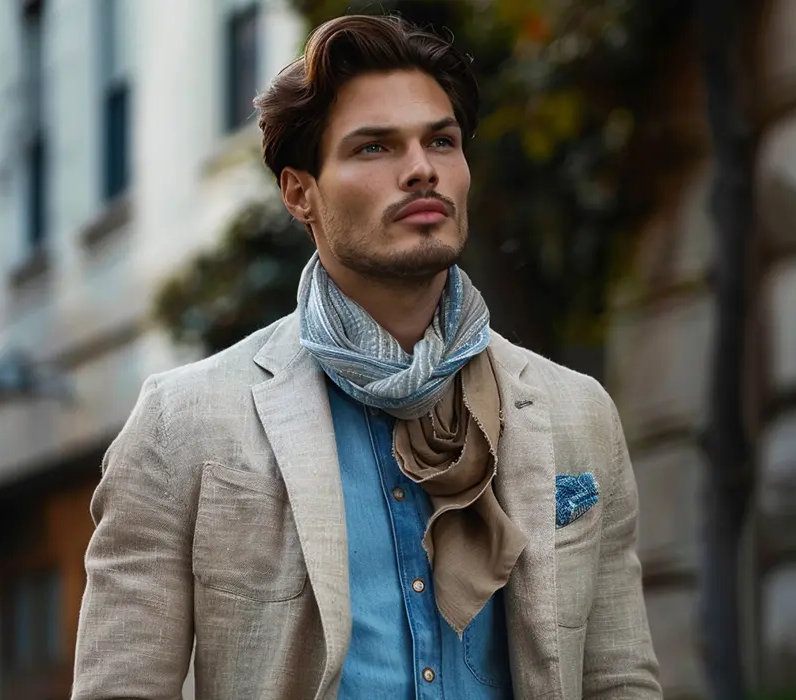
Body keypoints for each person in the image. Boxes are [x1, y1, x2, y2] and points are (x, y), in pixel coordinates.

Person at [72, 13, 661, 700]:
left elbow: (619, 678)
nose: (420, 171)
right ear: (300, 194)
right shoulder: (183, 422)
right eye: (375, 148)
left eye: (441, 141)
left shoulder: (574, 412)